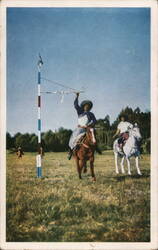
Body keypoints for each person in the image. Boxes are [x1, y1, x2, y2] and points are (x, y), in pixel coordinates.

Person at [68, 93, 101, 160]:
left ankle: (97, 149)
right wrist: (77, 96)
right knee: (73, 137)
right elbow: (76, 105)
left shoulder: (91, 114)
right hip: (79, 129)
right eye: (86, 106)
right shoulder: (80, 112)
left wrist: (88, 125)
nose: (87, 107)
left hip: (87, 128)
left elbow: (95, 121)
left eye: (88, 106)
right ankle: (70, 151)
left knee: (93, 136)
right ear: (83, 106)